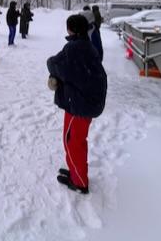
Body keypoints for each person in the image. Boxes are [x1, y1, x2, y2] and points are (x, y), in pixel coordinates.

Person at [46, 14, 107, 195]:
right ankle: (76, 171)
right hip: (82, 101)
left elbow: (54, 64)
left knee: (73, 142)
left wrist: (54, 72)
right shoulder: (85, 44)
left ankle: (80, 182)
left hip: (82, 103)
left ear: (71, 29)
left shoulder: (74, 48)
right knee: (74, 139)